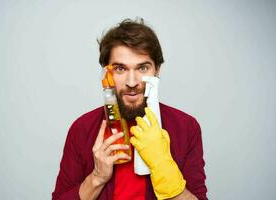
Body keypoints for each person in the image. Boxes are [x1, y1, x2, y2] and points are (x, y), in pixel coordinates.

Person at [52, 18, 207, 200]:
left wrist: (164, 169)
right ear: (106, 73)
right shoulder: (82, 128)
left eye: (142, 68)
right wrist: (97, 178)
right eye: (120, 69)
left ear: (157, 70)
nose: (132, 82)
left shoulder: (186, 127)